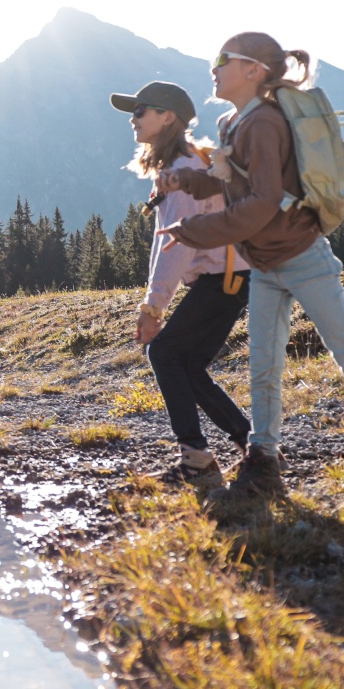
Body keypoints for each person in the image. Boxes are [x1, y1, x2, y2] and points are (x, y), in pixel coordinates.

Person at [155, 32, 344, 499]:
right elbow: (226, 180)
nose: (214, 66)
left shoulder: (263, 124)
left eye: (222, 59)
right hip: (265, 264)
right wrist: (184, 180)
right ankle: (263, 464)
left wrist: (193, 232)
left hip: (303, 259)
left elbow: (262, 204)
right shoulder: (234, 122)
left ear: (253, 70)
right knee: (262, 368)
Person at [111, 80, 252, 490]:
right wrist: (151, 302)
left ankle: (197, 459)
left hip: (222, 278)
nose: (133, 120)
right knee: (186, 364)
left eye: (141, 111)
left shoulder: (184, 169)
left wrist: (153, 308)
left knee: (166, 354)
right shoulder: (182, 164)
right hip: (227, 276)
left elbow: (178, 246)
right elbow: (167, 242)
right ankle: (250, 444)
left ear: (167, 117)